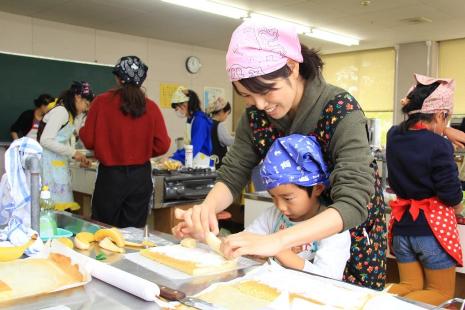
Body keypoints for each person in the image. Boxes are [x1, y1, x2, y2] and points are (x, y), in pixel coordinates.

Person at [173, 20, 387, 290]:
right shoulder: (255, 117)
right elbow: (234, 172)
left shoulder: (339, 109)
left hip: (348, 239)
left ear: (292, 67)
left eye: (267, 90)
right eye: (247, 95)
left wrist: (276, 242)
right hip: (289, 232)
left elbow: (353, 201)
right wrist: (206, 211)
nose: (261, 105)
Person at [386, 74, 464, 305]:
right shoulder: (439, 145)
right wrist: (458, 204)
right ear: (440, 114)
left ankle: (375, 300)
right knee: (440, 294)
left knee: (409, 287)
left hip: (402, 229)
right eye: (446, 119)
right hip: (431, 231)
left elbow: (417, 133)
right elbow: (450, 195)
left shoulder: (393, 135)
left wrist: (443, 130)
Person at [80, 56, 170, 228]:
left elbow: (89, 139)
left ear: (118, 78)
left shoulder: (101, 102)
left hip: (110, 177)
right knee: (134, 232)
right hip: (140, 177)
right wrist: (140, 149)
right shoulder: (151, 107)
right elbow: (163, 144)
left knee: (102, 228)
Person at [38, 81, 93, 211]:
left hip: (57, 167)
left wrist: (76, 158)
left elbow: (60, 144)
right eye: (86, 104)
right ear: (77, 97)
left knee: (60, 212)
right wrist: (73, 152)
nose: (86, 109)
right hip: (49, 169)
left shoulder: (68, 115)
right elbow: (45, 140)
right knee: (52, 212)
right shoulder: (61, 112)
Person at [171, 87, 212, 165]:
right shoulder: (191, 119)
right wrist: (175, 156)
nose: (178, 110)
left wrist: (173, 159)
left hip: (201, 163)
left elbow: (194, 148)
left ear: (186, 104)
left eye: (178, 107)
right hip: (193, 161)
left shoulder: (200, 121)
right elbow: (188, 145)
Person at [206, 97, 234, 169]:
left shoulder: (206, 123)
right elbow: (228, 141)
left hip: (206, 160)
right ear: (221, 111)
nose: (226, 117)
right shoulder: (220, 125)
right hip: (218, 163)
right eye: (227, 113)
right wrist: (241, 137)